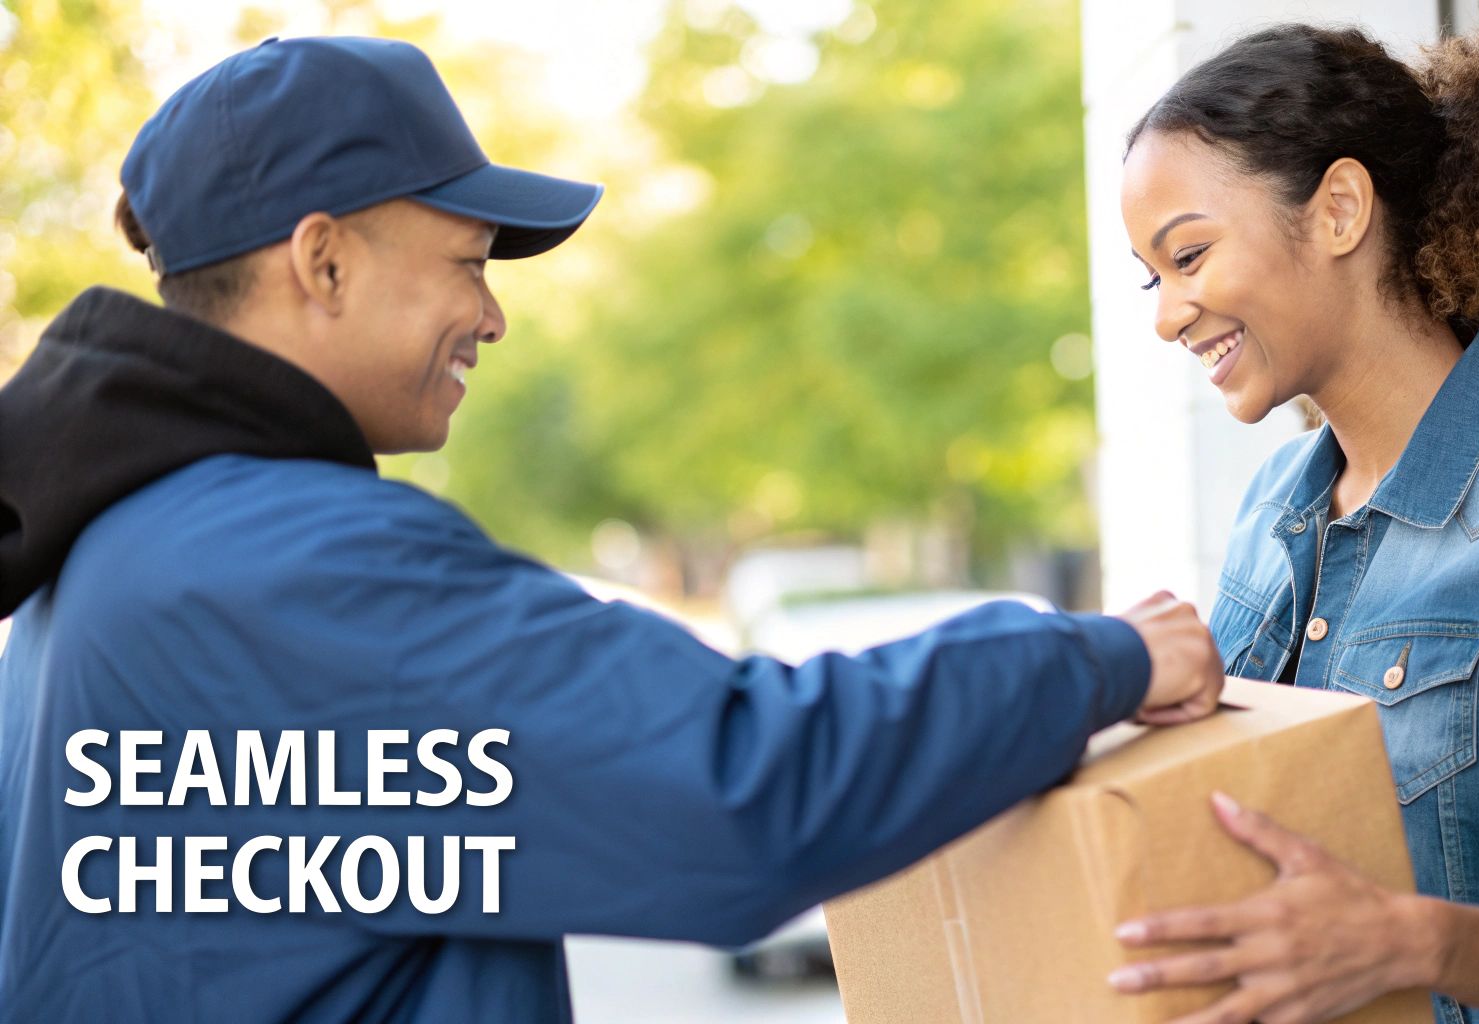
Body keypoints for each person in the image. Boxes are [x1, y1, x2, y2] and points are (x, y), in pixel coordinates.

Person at [0, 36, 1221, 1022]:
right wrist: (1095, 658)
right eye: (468, 260)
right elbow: (746, 791)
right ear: (322, 262)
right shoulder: (297, 568)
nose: (490, 314)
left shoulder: (99, 571)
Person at [1104, 17, 1479, 1024]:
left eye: (1188, 254)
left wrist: (1413, 944)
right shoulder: (1268, 512)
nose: (1164, 313)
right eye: (1152, 276)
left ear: (1335, 210)